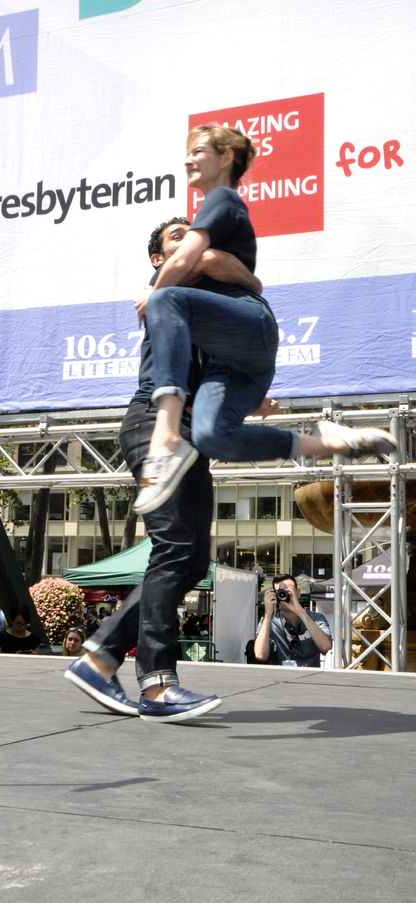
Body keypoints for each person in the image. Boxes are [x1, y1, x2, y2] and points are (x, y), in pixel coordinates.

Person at [66, 216, 275, 722]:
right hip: (152, 427)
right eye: (176, 237)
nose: (192, 241)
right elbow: (212, 259)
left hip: (188, 439)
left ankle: (99, 658)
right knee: (175, 548)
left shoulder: (205, 307)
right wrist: (249, 279)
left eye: (192, 231)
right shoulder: (172, 288)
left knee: (193, 561)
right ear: (160, 259)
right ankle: (157, 684)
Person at [133, 124, 398, 514]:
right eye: (188, 152)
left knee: (165, 300)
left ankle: (165, 436)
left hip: (250, 327)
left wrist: (154, 294)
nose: (189, 159)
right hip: (233, 366)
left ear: (226, 159)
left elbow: (196, 259)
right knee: (212, 436)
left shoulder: (222, 197)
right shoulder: (204, 225)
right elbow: (204, 264)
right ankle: (333, 442)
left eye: (199, 151)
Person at [254, 574, 332, 667]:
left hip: (310, 678)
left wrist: (300, 611)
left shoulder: (316, 618)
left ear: (298, 592)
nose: (285, 595)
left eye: (289, 592)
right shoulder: (270, 622)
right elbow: (260, 655)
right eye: (280, 592)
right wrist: (267, 614)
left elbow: (325, 646)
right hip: (280, 678)